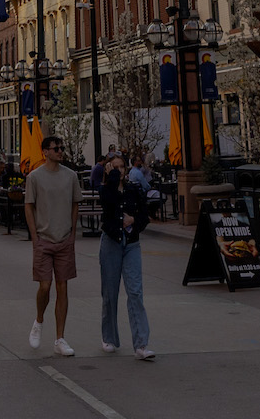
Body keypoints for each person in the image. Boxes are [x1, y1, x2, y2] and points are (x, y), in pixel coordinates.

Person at [95, 149, 155, 361]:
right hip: (111, 241)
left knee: (135, 292)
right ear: (109, 168)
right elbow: (108, 203)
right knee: (110, 293)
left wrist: (133, 222)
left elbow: (145, 216)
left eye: (122, 167)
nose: (119, 171)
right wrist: (110, 178)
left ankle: (141, 344)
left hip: (131, 243)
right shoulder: (106, 189)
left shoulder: (134, 189)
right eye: (115, 167)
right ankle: (109, 337)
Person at [24, 136, 79, 356]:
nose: (60, 151)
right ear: (45, 151)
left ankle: (60, 339)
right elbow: (29, 206)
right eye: (56, 148)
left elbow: (75, 204)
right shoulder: (35, 177)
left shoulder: (71, 176)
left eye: (62, 148)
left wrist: (73, 232)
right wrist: (34, 236)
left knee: (63, 287)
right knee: (45, 286)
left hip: (64, 238)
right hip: (44, 239)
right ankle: (38, 321)